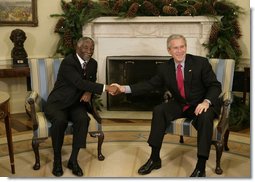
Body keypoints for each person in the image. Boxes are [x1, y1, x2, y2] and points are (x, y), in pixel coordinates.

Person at [111, 34, 222, 177]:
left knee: (205, 117)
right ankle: (154, 158)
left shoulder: (200, 63)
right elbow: (149, 85)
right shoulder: (165, 68)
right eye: (176, 48)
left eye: (182, 47)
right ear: (169, 50)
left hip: (201, 103)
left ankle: (201, 166)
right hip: (181, 104)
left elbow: (215, 86)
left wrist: (206, 102)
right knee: (159, 110)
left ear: (186, 47)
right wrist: (123, 88)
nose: (180, 51)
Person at [44, 37, 117, 177]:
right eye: (86, 48)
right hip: (59, 103)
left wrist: (89, 92)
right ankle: (57, 161)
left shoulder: (93, 63)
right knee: (60, 121)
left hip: (76, 103)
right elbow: (78, 82)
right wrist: (106, 87)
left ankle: (73, 160)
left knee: (83, 119)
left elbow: (90, 81)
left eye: (92, 49)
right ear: (77, 48)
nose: (89, 51)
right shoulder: (68, 62)